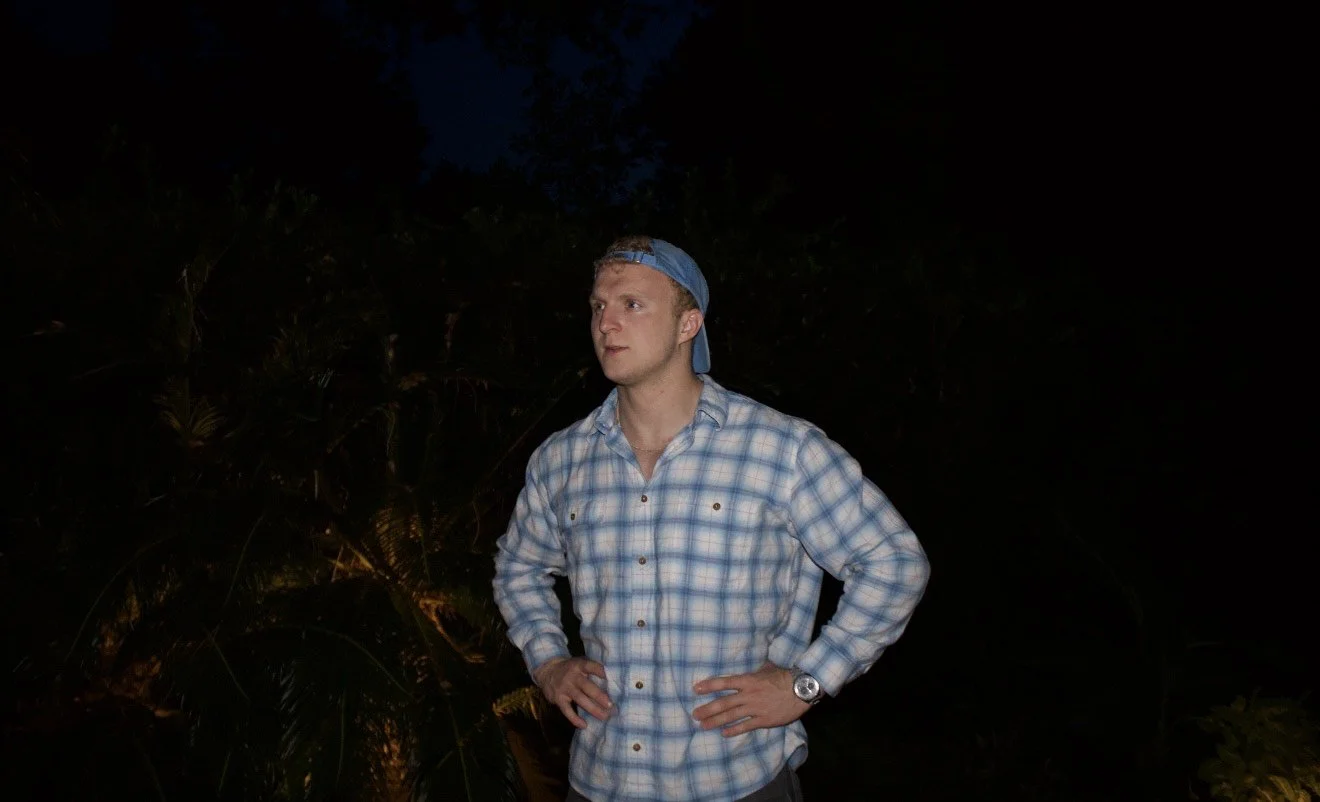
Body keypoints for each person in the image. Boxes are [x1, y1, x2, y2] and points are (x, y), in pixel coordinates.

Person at [492, 236, 930, 802]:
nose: (606, 323)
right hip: (600, 782)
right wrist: (548, 661)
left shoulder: (781, 448)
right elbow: (518, 567)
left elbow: (894, 562)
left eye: (632, 304)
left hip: (736, 780)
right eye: (598, 306)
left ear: (687, 323)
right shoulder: (561, 459)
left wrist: (808, 681)